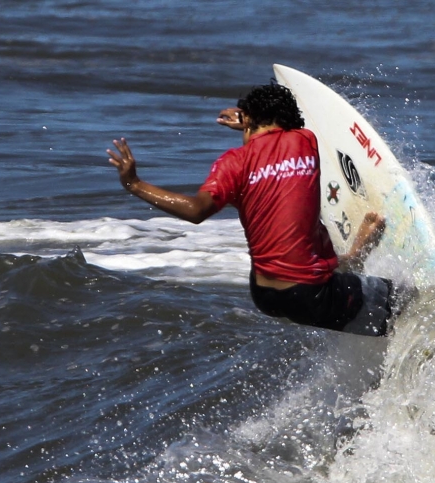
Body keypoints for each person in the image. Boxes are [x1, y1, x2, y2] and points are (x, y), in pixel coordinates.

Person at [107, 82, 395, 336]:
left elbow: (196, 211)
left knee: (310, 246)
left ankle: (354, 257)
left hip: (265, 295)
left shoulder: (232, 163)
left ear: (249, 122)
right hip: (310, 293)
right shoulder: (305, 141)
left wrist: (134, 184)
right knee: (410, 306)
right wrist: (247, 119)